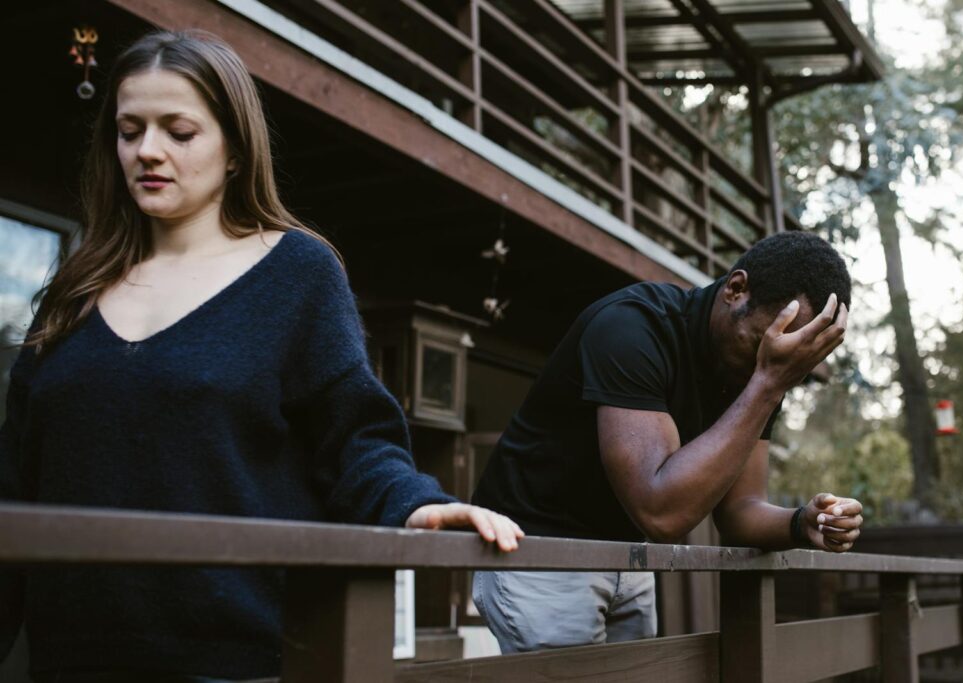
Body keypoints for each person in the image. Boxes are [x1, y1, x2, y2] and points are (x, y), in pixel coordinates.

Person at [0, 30, 523, 681]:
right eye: (129, 130)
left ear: (236, 150)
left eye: (179, 131)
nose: (147, 151)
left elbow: (355, 439)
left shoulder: (298, 274)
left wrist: (413, 502)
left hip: (238, 663)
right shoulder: (76, 288)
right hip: (68, 663)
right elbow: (15, 478)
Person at [471, 231, 863, 653]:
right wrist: (768, 385)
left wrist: (801, 522)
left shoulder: (766, 371)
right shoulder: (632, 328)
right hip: (542, 551)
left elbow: (739, 511)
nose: (763, 370)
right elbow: (661, 512)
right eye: (760, 348)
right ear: (735, 289)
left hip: (627, 557)